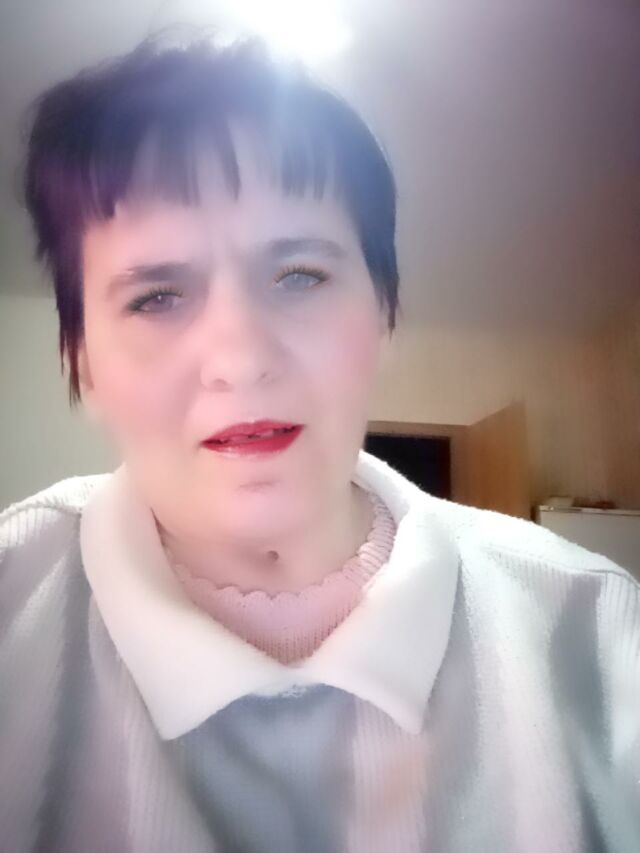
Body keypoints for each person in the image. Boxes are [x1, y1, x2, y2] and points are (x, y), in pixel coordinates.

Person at [0, 35, 638, 853]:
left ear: (386, 314)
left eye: (299, 275)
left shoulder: (594, 628)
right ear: (81, 362)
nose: (241, 358)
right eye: (157, 297)